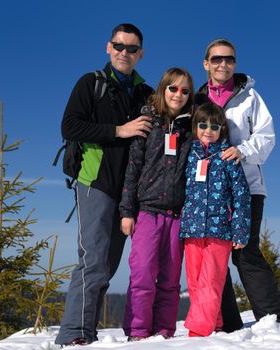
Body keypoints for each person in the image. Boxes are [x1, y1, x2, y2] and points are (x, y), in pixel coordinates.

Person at [55, 24, 153, 347]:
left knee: (107, 266)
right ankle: (73, 335)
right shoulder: (91, 83)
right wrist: (119, 131)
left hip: (129, 191)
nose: (124, 52)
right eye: (119, 46)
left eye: (131, 48)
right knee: (93, 259)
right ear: (108, 48)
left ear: (141, 54)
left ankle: (87, 332)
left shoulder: (145, 93)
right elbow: (70, 126)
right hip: (94, 182)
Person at [195, 39, 280, 331]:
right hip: (209, 190)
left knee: (244, 252)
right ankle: (228, 324)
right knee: (215, 252)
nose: (223, 64)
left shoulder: (250, 97)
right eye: (217, 59)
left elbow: (267, 136)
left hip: (246, 185)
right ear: (206, 63)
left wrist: (243, 150)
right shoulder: (197, 100)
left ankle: (273, 318)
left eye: (230, 59)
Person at [119, 67, 194, 341]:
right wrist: (127, 212)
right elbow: (133, 168)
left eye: (185, 90)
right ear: (163, 89)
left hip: (177, 215)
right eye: (173, 88)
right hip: (147, 211)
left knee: (170, 281)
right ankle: (137, 332)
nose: (178, 94)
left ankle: (164, 333)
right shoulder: (148, 121)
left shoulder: (190, 129)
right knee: (142, 274)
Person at [180, 103, 251, 337]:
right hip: (191, 229)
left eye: (214, 126)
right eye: (202, 125)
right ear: (195, 127)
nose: (208, 130)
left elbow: (241, 195)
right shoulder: (188, 154)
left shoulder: (227, 157)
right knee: (194, 281)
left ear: (222, 129)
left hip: (219, 230)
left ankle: (199, 331)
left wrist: (240, 231)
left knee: (211, 280)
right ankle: (216, 323)